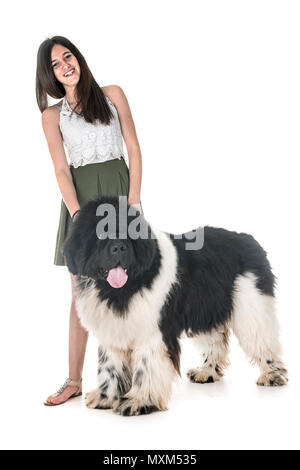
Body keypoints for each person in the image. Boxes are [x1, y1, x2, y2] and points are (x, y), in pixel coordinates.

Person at [36, 36, 143, 405]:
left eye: (68, 56)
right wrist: (77, 214)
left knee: (128, 287)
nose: (65, 65)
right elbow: (61, 168)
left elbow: (132, 147)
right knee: (81, 294)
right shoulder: (52, 116)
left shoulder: (112, 93)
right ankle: (73, 380)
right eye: (55, 63)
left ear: (78, 58)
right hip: (80, 201)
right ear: (49, 75)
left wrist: (133, 203)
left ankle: (131, 374)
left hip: (118, 192)